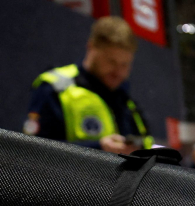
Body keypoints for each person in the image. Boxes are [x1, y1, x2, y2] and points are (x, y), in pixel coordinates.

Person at [24, 16, 151, 153]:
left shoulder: (127, 103)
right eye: (111, 62)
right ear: (91, 47)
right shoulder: (56, 87)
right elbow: (34, 151)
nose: (118, 72)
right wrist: (99, 148)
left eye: (125, 64)